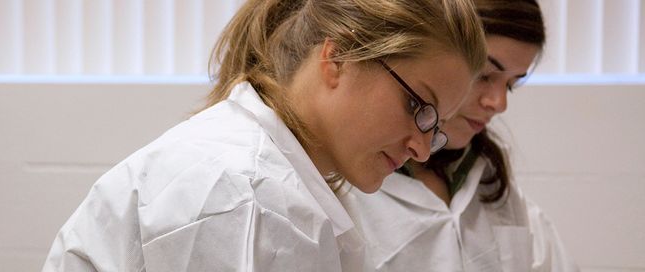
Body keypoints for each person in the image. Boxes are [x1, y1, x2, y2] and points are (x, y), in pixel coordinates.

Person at [41, 0, 488, 271]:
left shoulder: (267, 178)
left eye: (435, 128)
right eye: (418, 107)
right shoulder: (245, 195)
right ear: (340, 57)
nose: (421, 148)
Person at [339, 0, 580, 271]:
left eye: (511, 85)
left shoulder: (492, 183)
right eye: (485, 76)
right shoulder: (343, 186)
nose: (499, 103)